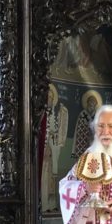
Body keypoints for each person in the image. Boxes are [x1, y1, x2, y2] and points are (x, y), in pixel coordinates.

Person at [41, 83, 69, 211]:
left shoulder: (56, 113)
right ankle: (43, 204)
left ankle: (51, 204)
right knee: (44, 177)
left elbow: (59, 130)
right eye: (47, 97)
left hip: (53, 148)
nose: (50, 100)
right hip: (45, 148)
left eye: (51, 98)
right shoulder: (41, 114)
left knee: (52, 177)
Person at [71, 90, 102, 159]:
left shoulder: (97, 115)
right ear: (87, 103)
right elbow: (79, 129)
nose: (91, 104)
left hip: (93, 142)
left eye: (93, 103)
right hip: (82, 141)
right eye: (90, 102)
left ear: (96, 104)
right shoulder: (82, 114)